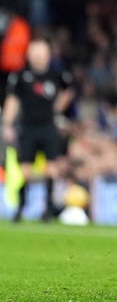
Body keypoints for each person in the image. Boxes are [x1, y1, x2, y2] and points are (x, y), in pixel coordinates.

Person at [2, 38, 75, 222]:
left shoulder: (56, 74)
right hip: (27, 127)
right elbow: (12, 100)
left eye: (42, 53)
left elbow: (69, 91)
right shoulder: (20, 76)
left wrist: (57, 109)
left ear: (48, 55)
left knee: (51, 168)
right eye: (35, 53)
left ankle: (48, 209)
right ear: (29, 55)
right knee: (25, 170)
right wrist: (7, 124)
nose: (39, 57)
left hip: (48, 127)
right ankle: (20, 207)